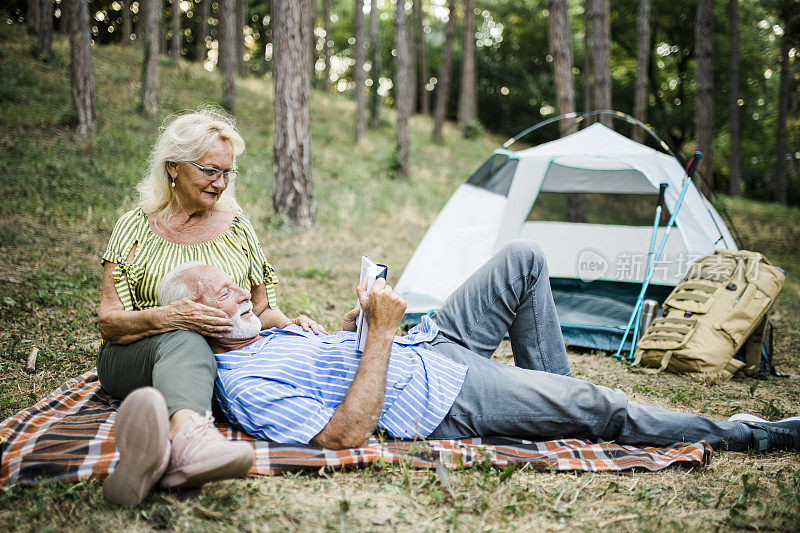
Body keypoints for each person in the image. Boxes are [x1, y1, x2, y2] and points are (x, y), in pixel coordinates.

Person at [153, 242, 799, 456]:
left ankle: (565, 410)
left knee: (523, 260)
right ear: (194, 313)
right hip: (440, 395)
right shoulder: (240, 383)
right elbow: (345, 432)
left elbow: (334, 364)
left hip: (433, 342)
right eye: (218, 289)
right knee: (601, 401)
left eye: (231, 279)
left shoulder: (268, 331)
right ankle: (753, 434)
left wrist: (359, 322)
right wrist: (378, 334)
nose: (237, 287)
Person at [97, 108, 326, 507]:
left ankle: (155, 458)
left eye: (227, 173)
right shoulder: (133, 228)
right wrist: (170, 319)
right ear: (173, 168)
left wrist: (290, 324)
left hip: (224, 363)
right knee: (187, 340)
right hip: (136, 353)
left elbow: (260, 310)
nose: (220, 184)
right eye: (209, 171)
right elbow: (110, 323)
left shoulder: (237, 226)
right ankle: (192, 441)